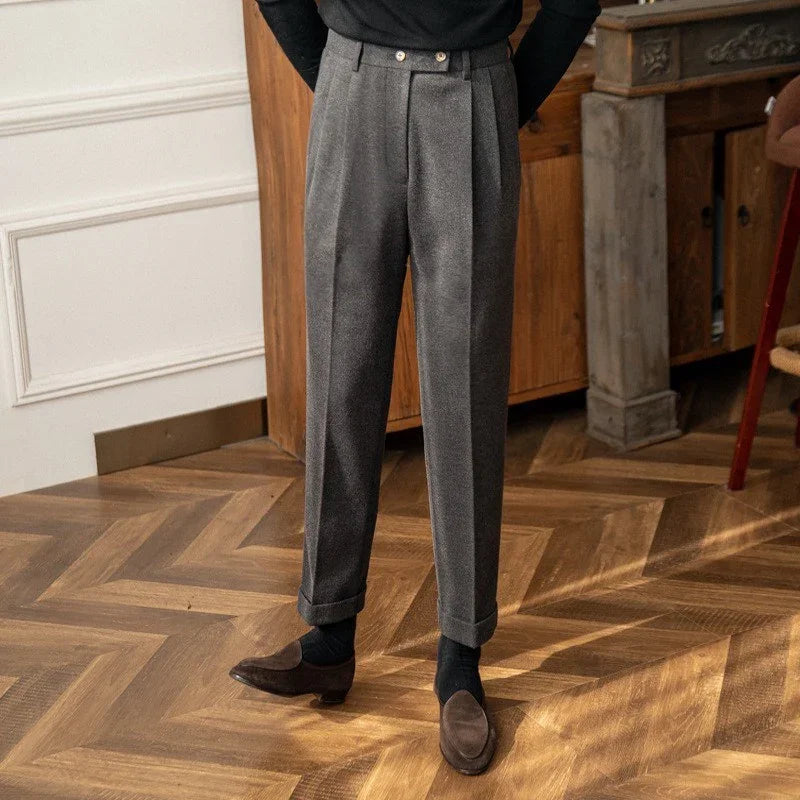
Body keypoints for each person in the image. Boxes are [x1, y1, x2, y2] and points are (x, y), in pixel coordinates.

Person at [230, 0, 601, 775]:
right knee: (340, 375)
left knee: (464, 388)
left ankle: (460, 661)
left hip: (471, 92)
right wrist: (345, 79)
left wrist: (501, 99)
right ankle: (329, 637)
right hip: (350, 86)